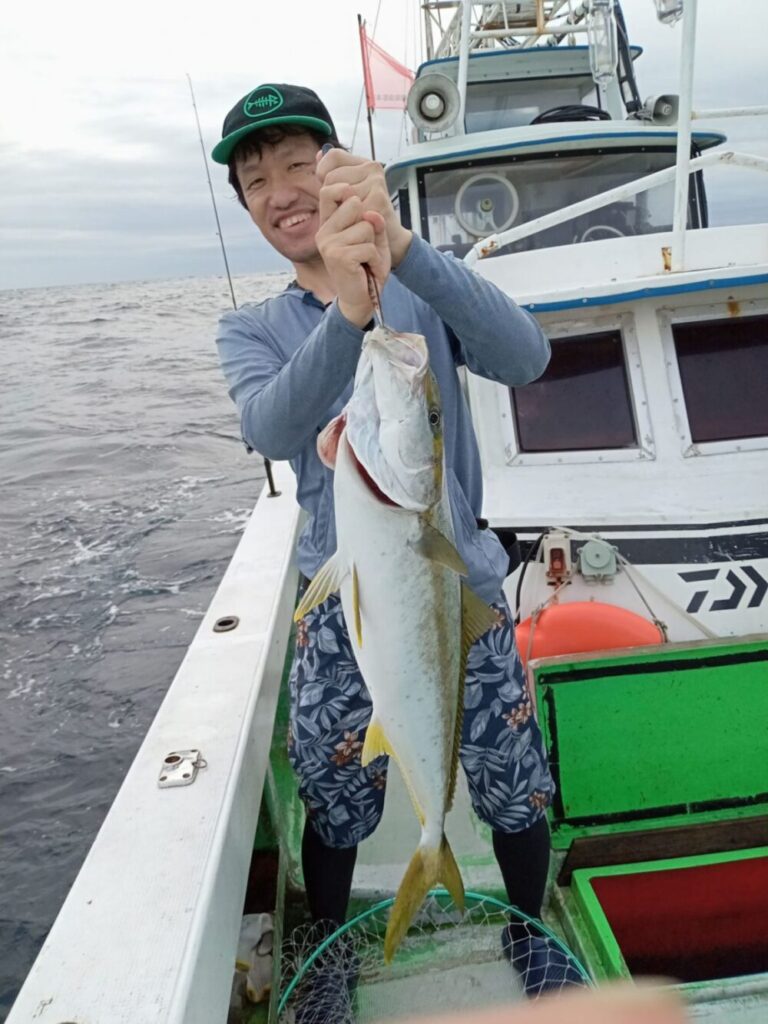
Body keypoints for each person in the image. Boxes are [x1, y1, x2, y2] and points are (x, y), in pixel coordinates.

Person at [212, 83, 563, 1019]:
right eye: (255, 180)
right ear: (245, 204)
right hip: (338, 606)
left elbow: (526, 357)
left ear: (336, 167)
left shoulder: (419, 285)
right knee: (335, 798)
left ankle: (527, 932)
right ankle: (330, 949)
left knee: (511, 784)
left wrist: (399, 248)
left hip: (458, 583)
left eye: (298, 164)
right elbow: (273, 425)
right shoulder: (251, 329)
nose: (280, 190)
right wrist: (349, 315)